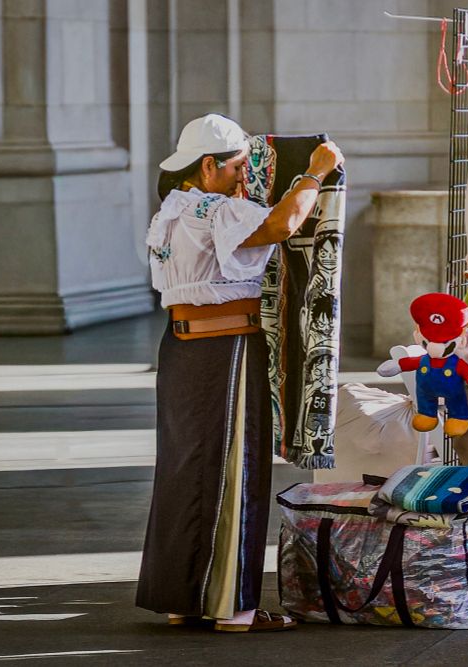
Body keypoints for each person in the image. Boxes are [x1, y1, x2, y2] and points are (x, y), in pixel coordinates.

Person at [136, 113, 343, 632]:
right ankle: (235, 608)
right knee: (237, 468)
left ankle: (185, 598)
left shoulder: (172, 210)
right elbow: (282, 224)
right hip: (224, 346)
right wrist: (315, 173)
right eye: (235, 167)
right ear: (208, 167)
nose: (243, 177)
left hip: (181, 347)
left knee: (186, 470)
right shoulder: (216, 209)